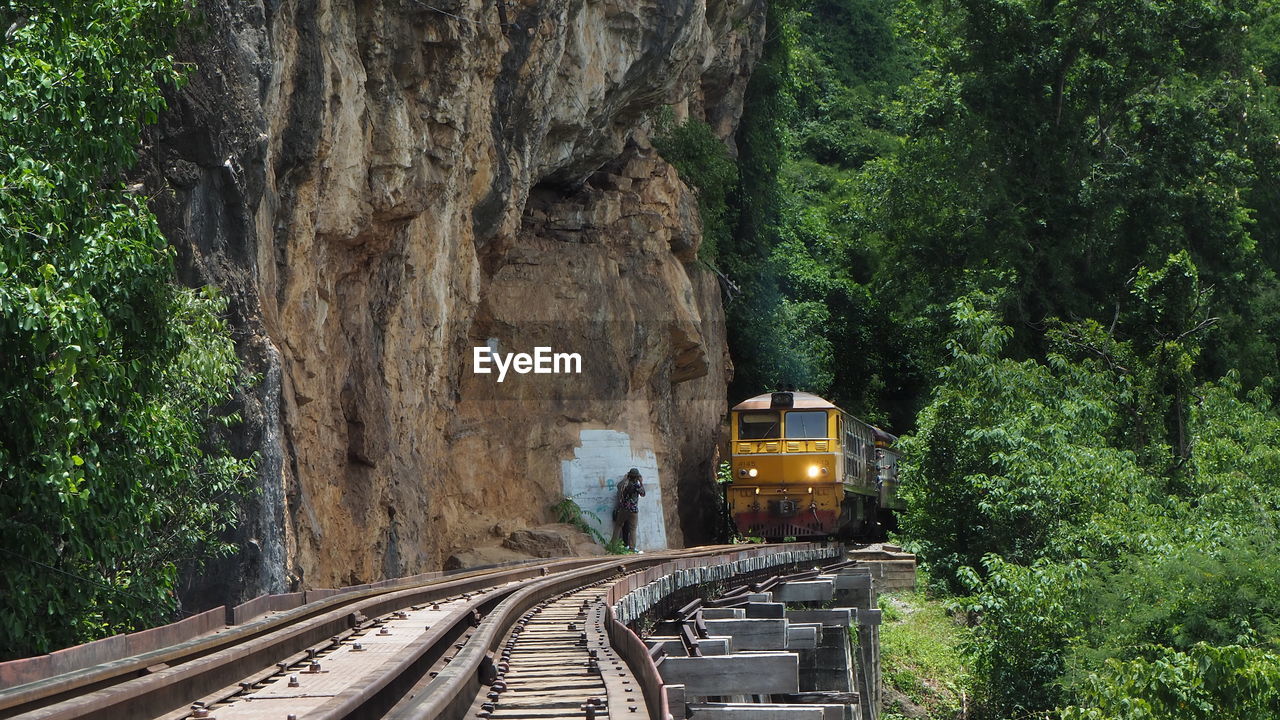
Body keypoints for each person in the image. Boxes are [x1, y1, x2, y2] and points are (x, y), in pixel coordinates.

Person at [611, 468, 646, 552]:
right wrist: (641, 482)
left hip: (624, 509)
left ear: (629, 475)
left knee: (618, 525)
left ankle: (613, 546)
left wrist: (625, 478)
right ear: (637, 477)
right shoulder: (637, 485)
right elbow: (643, 493)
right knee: (633, 529)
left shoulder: (625, 483)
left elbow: (619, 486)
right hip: (633, 510)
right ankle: (632, 548)